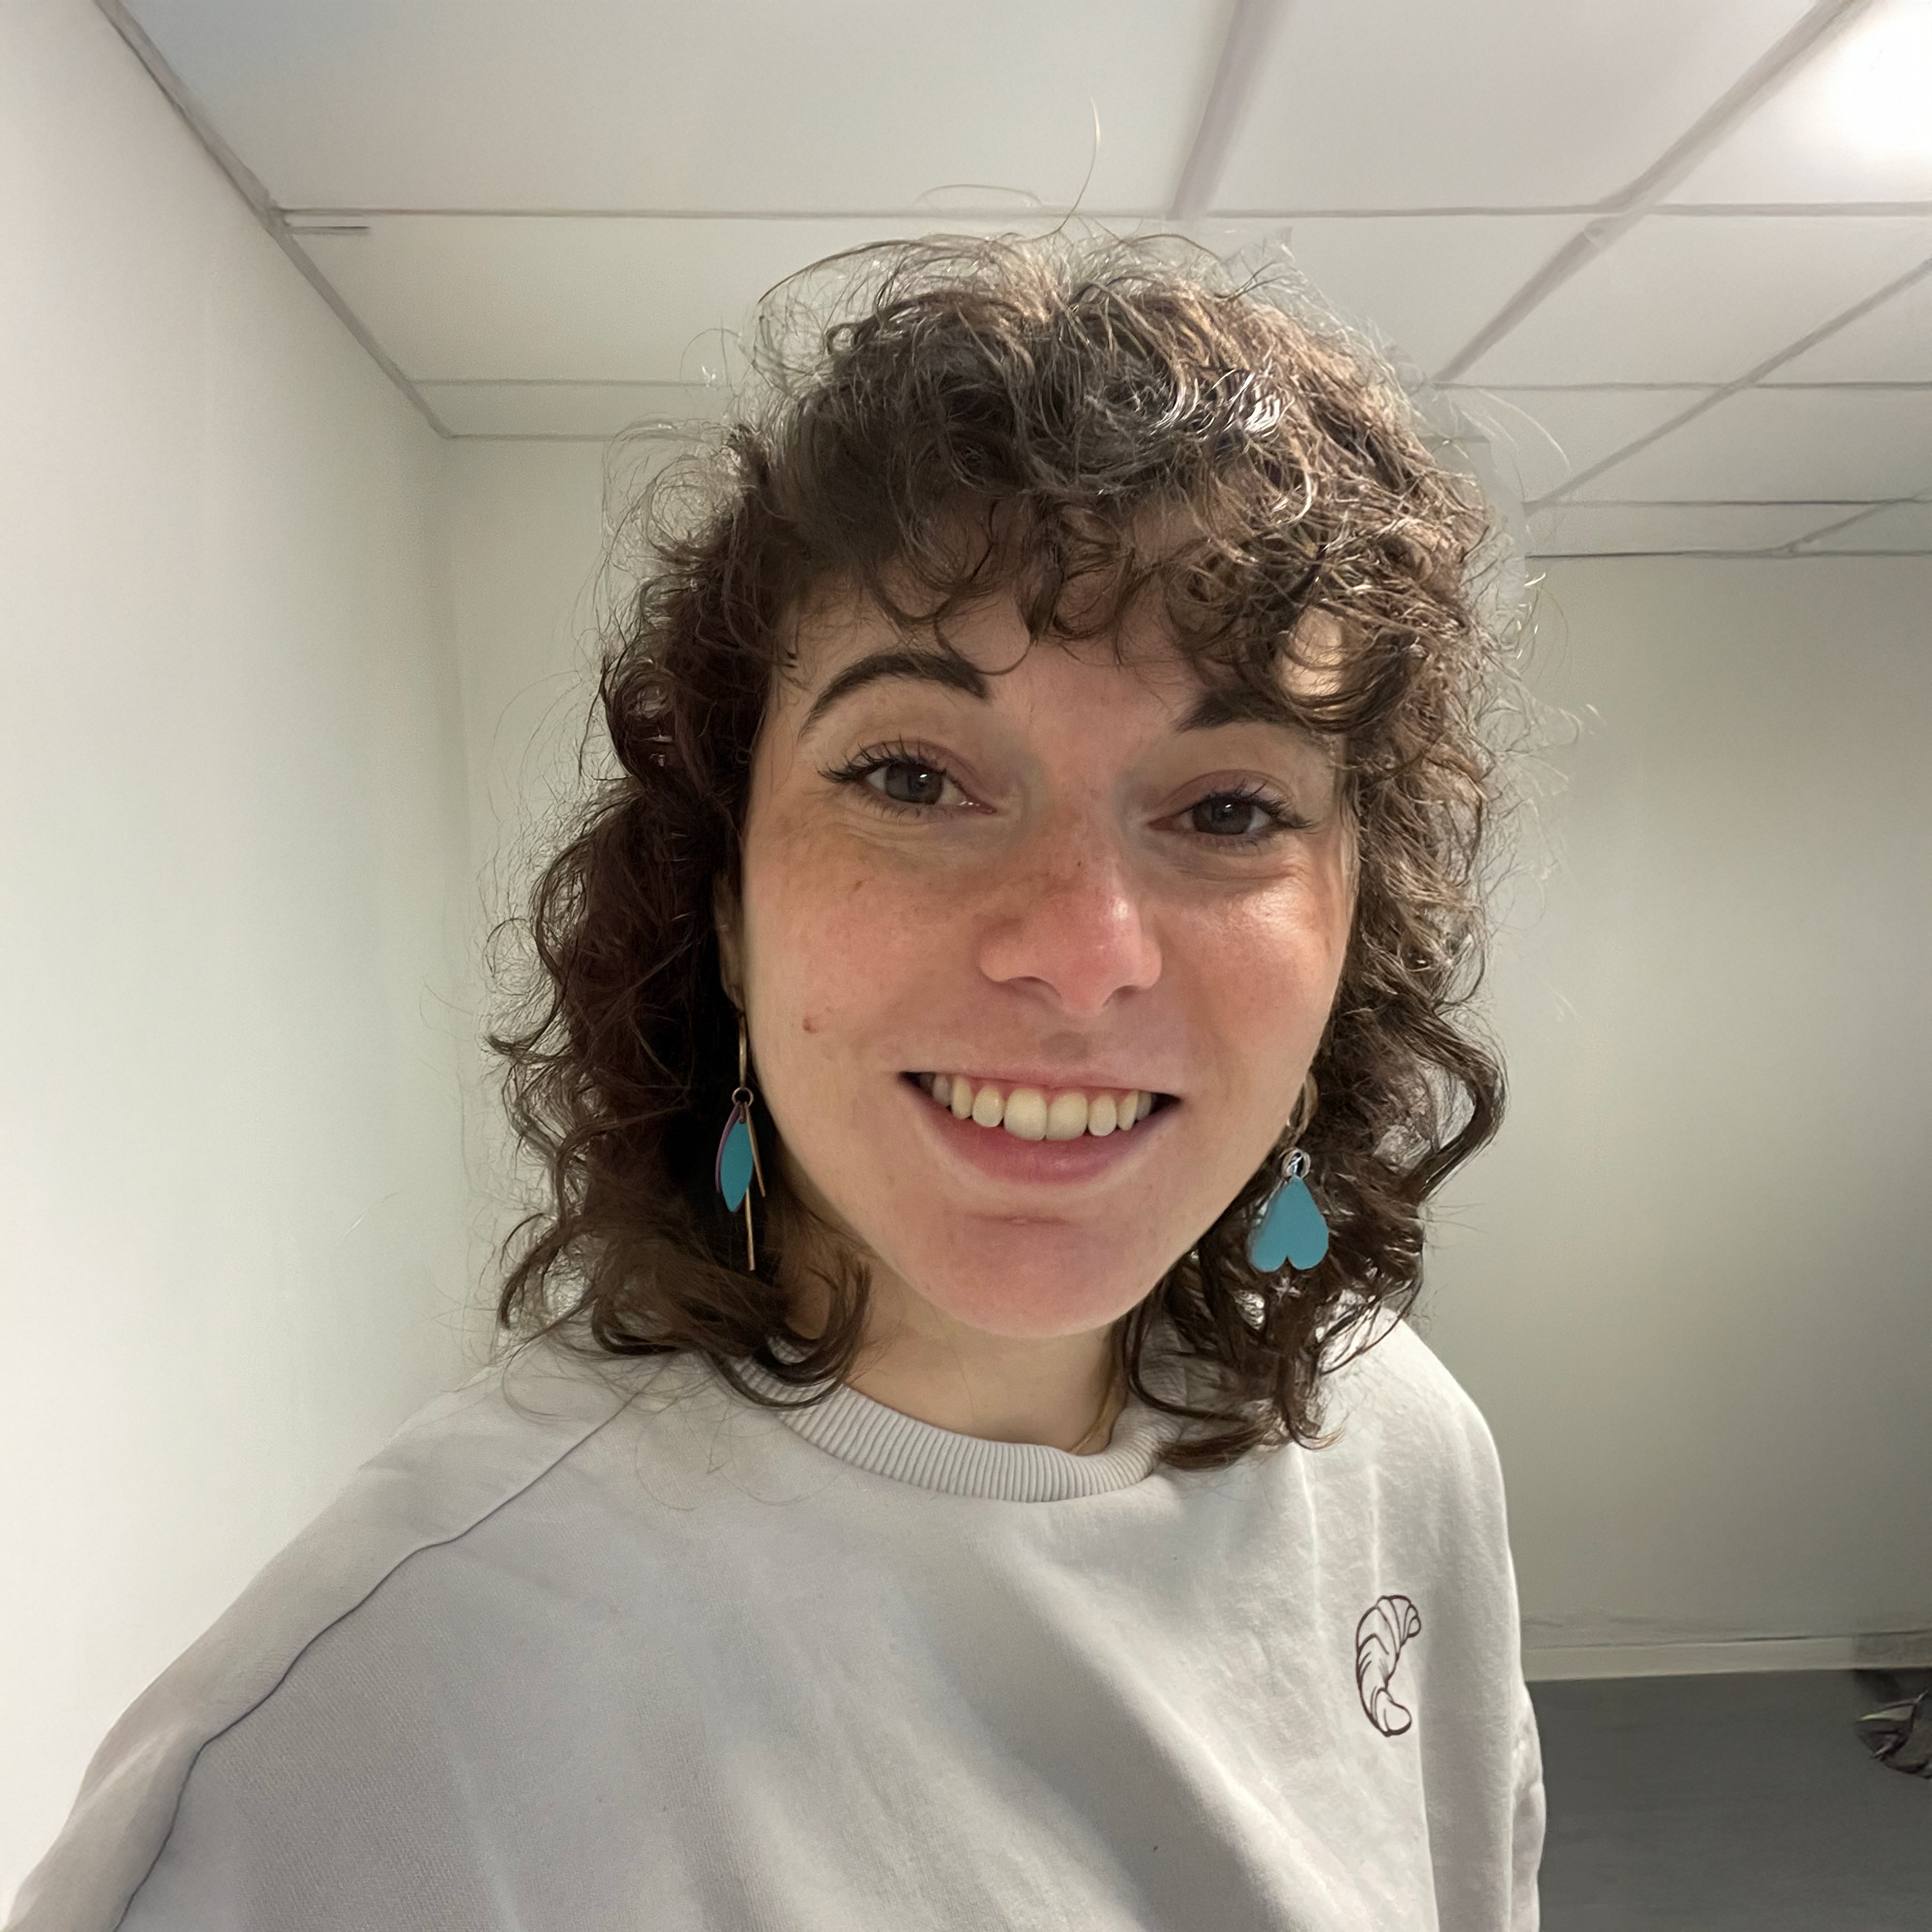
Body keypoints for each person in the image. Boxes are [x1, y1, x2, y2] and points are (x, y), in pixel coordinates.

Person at [12, 234, 1544, 1931]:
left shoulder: (1402, 1445)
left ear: (1351, 926)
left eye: (1232, 808)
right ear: (722, 909)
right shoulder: (376, 1721)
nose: (1081, 947)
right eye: (910, 773)